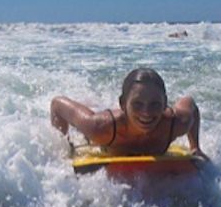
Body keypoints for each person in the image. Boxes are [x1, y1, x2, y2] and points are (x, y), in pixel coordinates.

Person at [51, 68, 207, 159]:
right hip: (111, 127)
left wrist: (195, 147)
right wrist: (66, 148)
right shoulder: (99, 128)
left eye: (155, 104)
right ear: (122, 104)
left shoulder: (177, 123)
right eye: (137, 104)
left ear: (165, 104)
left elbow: (190, 104)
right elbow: (57, 104)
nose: (146, 112)